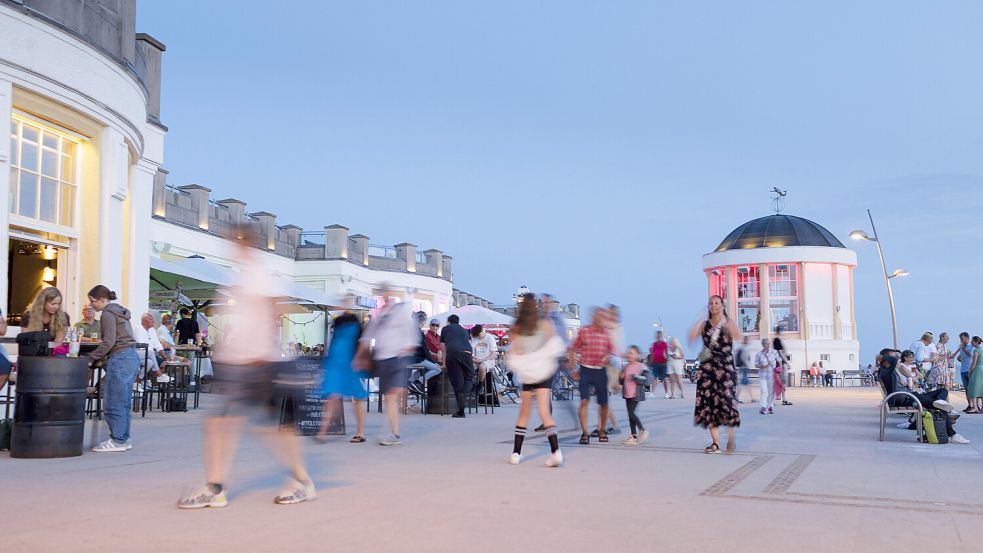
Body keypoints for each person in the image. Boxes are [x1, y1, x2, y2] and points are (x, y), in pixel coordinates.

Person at [178, 228, 315, 509]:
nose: (234, 246)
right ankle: (219, 486)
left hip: (258, 363)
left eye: (238, 241)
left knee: (259, 427)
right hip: (248, 363)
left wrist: (259, 353)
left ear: (249, 244)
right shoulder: (245, 276)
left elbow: (270, 311)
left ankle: (299, 481)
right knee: (243, 425)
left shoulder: (259, 274)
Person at [507, 293, 563, 467]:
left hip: (528, 374)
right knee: (545, 413)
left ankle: (516, 453)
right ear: (536, 306)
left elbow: (515, 350)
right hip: (543, 373)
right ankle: (555, 452)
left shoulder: (517, 327)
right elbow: (555, 344)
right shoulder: (544, 323)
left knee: (524, 413)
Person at [85, 285, 140, 452]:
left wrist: (91, 358)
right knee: (123, 402)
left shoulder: (108, 313)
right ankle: (124, 438)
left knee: (113, 402)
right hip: (131, 357)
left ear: (102, 300)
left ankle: (117, 440)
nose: (91, 304)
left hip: (120, 358)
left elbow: (109, 341)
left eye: (93, 301)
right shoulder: (120, 311)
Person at [688, 295, 742, 454]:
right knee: (708, 403)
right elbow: (691, 338)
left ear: (722, 305)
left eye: (717, 303)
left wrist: (727, 324)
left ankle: (730, 437)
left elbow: (738, 336)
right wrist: (699, 319)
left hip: (725, 368)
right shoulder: (704, 325)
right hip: (707, 368)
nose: (713, 305)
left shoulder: (728, 323)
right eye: (711, 303)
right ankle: (716, 443)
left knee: (727, 402)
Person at [879, 349, 969, 443]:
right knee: (939, 406)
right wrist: (883, 357)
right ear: (886, 362)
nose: (898, 361)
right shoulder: (886, 372)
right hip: (906, 398)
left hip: (911, 395)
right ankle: (953, 434)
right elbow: (892, 361)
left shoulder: (891, 371)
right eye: (895, 359)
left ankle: (941, 402)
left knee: (943, 391)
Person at [361, 295, 418, 442]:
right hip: (383, 361)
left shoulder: (401, 319)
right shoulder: (380, 318)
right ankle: (395, 431)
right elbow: (368, 337)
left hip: (396, 359)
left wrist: (405, 349)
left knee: (391, 396)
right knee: (389, 397)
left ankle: (395, 433)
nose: (386, 303)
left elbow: (411, 341)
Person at [316, 299, 368, 444]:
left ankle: (360, 432)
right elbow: (334, 342)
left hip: (349, 362)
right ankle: (322, 432)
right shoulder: (339, 321)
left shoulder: (354, 321)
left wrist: (358, 358)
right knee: (333, 395)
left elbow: (362, 342)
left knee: (356, 396)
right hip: (337, 362)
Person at [568, 308, 615, 445]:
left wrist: (607, 356)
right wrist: (573, 367)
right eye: (597, 316)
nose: (600, 319)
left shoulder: (606, 333)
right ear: (593, 317)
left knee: (604, 403)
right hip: (585, 370)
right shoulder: (584, 331)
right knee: (584, 401)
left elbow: (610, 350)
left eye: (602, 317)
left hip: (600, 371)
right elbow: (572, 348)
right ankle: (585, 432)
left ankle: (602, 430)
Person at [440, 313, 475, 419]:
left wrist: (444, 363)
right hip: (467, 354)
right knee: (469, 377)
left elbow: (443, 348)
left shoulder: (445, 329)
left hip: (453, 354)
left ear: (449, 322)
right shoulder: (464, 330)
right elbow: (467, 343)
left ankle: (461, 411)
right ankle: (465, 393)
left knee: (457, 383)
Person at [620, 345, 650, 445]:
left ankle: (642, 430)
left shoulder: (641, 366)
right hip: (627, 393)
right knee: (630, 414)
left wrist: (635, 377)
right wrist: (620, 378)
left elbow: (647, 380)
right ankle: (633, 436)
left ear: (637, 355)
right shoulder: (625, 367)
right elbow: (621, 381)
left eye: (632, 353)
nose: (629, 355)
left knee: (631, 413)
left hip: (636, 394)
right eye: (628, 353)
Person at [408, 312, 440, 396]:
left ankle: (411, 381)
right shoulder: (419, 332)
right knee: (437, 369)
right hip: (417, 359)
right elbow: (425, 349)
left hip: (409, 359)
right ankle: (418, 382)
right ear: (422, 322)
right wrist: (433, 362)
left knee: (426, 369)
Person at [756, 338, 779, 414]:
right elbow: (756, 365)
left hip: (771, 375)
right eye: (766, 343)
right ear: (763, 344)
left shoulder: (774, 352)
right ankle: (763, 406)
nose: (768, 345)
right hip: (762, 375)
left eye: (769, 343)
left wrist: (779, 369)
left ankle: (770, 406)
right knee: (763, 391)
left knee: (771, 391)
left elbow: (779, 360)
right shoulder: (759, 354)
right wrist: (762, 366)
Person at [955, 332, 975, 411]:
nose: (961, 341)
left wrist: (963, 348)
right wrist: (959, 359)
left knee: (972, 388)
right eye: (960, 339)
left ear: (967, 338)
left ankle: (974, 405)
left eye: (962, 339)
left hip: (970, 370)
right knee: (966, 389)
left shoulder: (971, 346)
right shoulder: (962, 347)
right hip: (963, 370)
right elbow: (960, 357)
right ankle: (969, 405)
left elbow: (970, 355)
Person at [773, 329, 793, 406]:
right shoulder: (777, 340)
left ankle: (781, 399)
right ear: (778, 332)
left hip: (779, 363)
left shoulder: (778, 340)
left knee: (780, 382)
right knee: (781, 382)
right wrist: (787, 363)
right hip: (780, 364)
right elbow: (780, 353)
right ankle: (783, 399)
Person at [648, 330, 670, 398]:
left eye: (658, 335)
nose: (657, 336)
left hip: (663, 363)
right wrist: (650, 362)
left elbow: (666, 353)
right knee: (655, 378)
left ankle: (666, 393)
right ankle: (652, 393)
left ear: (660, 336)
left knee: (664, 378)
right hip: (655, 363)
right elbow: (653, 354)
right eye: (657, 335)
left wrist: (666, 359)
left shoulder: (664, 344)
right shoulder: (654, 344)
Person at [735, 335, 754, 404]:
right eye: (748, 340)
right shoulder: (745, 348)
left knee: (747, 384)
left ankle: (752, 398)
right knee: (742, 384)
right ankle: (736, 398)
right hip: (744, 368)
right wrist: (748, 366)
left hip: (742, 368)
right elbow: (743, 358)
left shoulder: (741, 347)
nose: (749, 341)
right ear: (746, 340)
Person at [966, 336, 983, 414]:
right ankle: (982, 408)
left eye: (972, 341)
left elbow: (974, 363)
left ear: (976, 342)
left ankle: (975, 408)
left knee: (974, 388)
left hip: (977, 370)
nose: (971, 342)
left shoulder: (976, 350)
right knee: (981, 388)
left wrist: (970, 372)